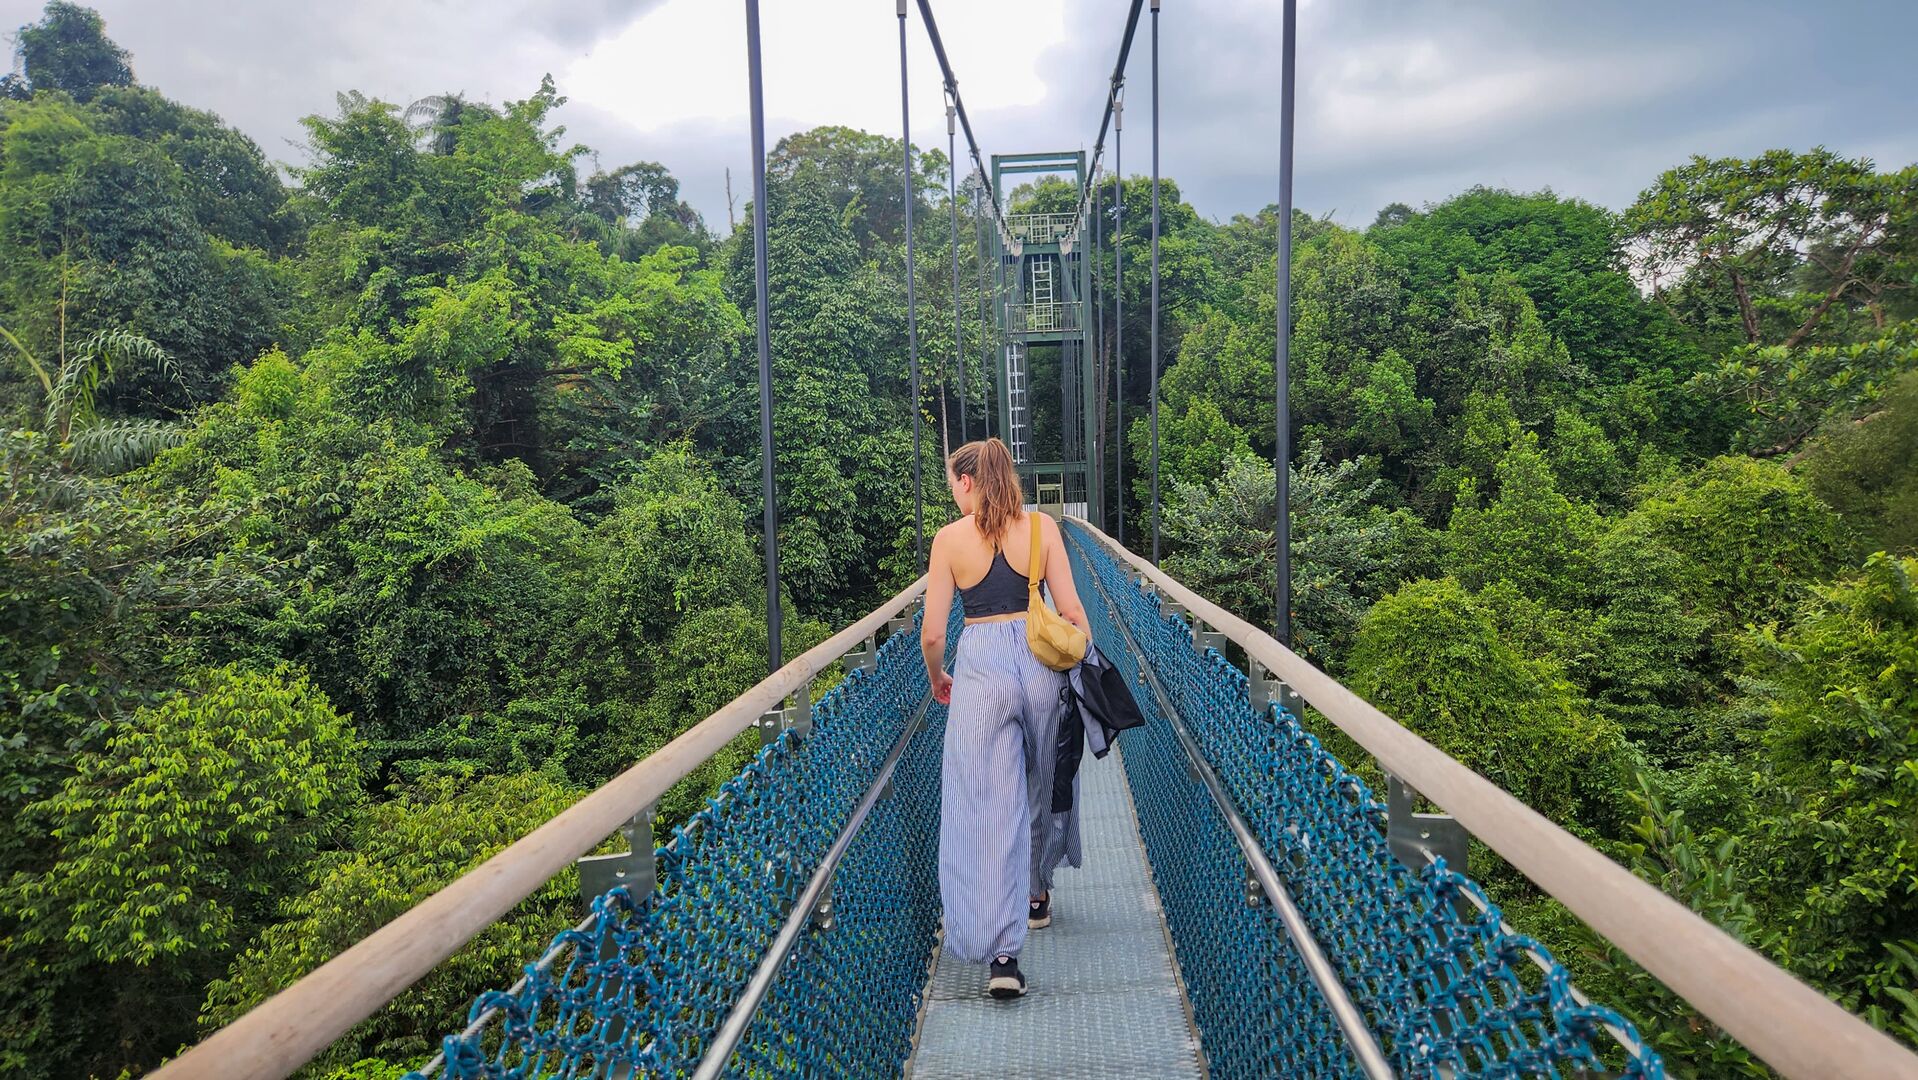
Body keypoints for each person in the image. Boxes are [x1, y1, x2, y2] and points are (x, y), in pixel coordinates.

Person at [920, 437, 1093, 999]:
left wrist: (937, 677)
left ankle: (1002, 956)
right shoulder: (1042, 529)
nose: (952, 493)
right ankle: (1036, 892)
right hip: (1041, 664)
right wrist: (1075, 656)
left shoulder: (949, 541)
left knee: (992, 806)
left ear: (968, 482)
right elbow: (1073, 613)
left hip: (980, 670)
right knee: (1040, 786)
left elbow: (931, 634)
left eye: (953, 482)